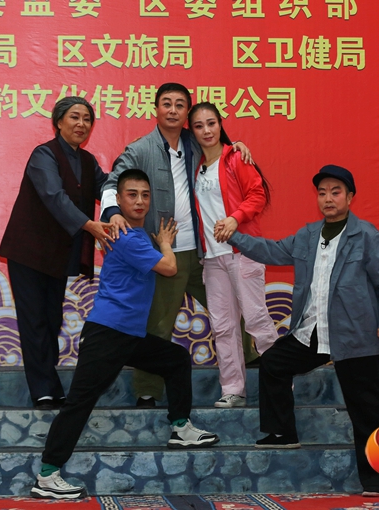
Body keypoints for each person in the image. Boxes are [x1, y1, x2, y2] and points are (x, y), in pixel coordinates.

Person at [31, 170, 220, 500]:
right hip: (108, 333)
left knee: (175, 358)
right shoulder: (128, 238)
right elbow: (170, 268)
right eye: (132, 195)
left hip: (128, 334)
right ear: (118, 200)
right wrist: (165, 244)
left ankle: (180, 427)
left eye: (145, 195)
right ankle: (47, 475)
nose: (140, 201)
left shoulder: (134, 234)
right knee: (79, 402)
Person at [226, 165, 379, 497]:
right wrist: (233, 236)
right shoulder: (307, 236)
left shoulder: (366, 235)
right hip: (313, 331)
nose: (328, 199)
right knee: (273, 363)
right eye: (322, 193)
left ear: (350, 197)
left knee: (367, 409)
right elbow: (271, 251)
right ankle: (283, 433)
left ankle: (377, 478)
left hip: (355, 335)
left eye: (336, 192)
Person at [100, 83, 253, 407]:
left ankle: (251, 366)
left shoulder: (194, 142)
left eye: (180, 105)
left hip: (202, 251)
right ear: (155, 109)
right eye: (167, 103)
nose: (173, 110)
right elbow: (112, 182)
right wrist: (113, 213)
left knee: (231, 311)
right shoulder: (140, 149)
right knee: (158, 323)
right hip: (163, 253)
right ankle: (147, 391)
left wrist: (235, 146)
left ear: (187, 113)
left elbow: (220, 153)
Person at [0, 97, 114, 411]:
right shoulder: (43, 155)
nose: (81, 124)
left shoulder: (87, 161)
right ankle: (44, 390)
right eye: (74, 117)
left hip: (58, 254)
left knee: (52, 319)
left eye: (87, 119)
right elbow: (54, 196)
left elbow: (106, 188)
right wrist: (90, 225)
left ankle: (48, 384)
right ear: (59, 122)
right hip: (28, 251)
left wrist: (120, 202)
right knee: (35, 320)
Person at [188, 102, 279, 408]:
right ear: (192, 132)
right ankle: (233, 389)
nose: (206, 130)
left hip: (243, 253)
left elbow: (258, 194)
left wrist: (234, 218)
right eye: (199, 126)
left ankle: (279, 383)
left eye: (211, 123)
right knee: (223, 327)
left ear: (220, 124)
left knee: (256, 320)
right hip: (212, 259)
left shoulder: (236, 157)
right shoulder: (195, 165)